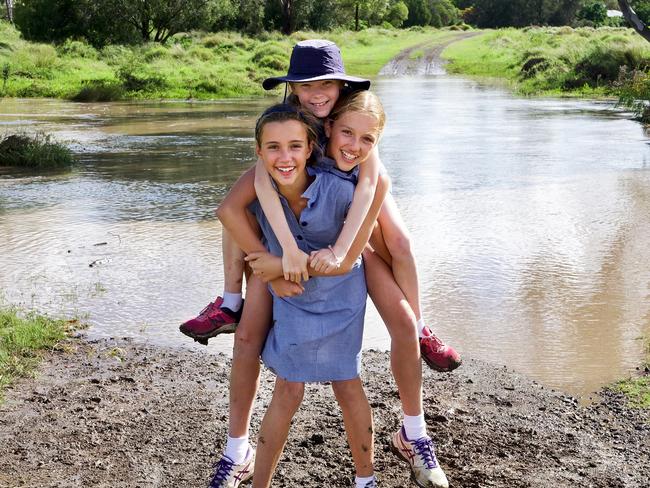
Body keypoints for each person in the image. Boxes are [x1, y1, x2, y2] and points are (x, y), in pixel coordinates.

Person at [211, 87, 449, 488]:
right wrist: (271, 263)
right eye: (305, 85)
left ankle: (410, 436)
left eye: (366, 139)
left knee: (394, 332)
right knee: (257, 349)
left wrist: (286, 265)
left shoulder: (359, 163)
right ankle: (238, 453)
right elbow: (239, 205)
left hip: (347, 259)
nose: (316, 94)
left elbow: (352, 249)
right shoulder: (286, 137)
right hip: (290, 270)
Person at [179, 39, 461, 374]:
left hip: (359, 189)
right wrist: (286, 250)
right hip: (312, 193)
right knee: (241, 205)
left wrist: (343, 249)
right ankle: (229, 302)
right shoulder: (287, 120)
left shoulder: (351, 116)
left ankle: (420, 327)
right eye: (306, 84)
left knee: (400, 242)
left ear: (341, 85)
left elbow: (370, 184)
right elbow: (261, 183)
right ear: (293, 88)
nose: (317, 93)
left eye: (326, 83)